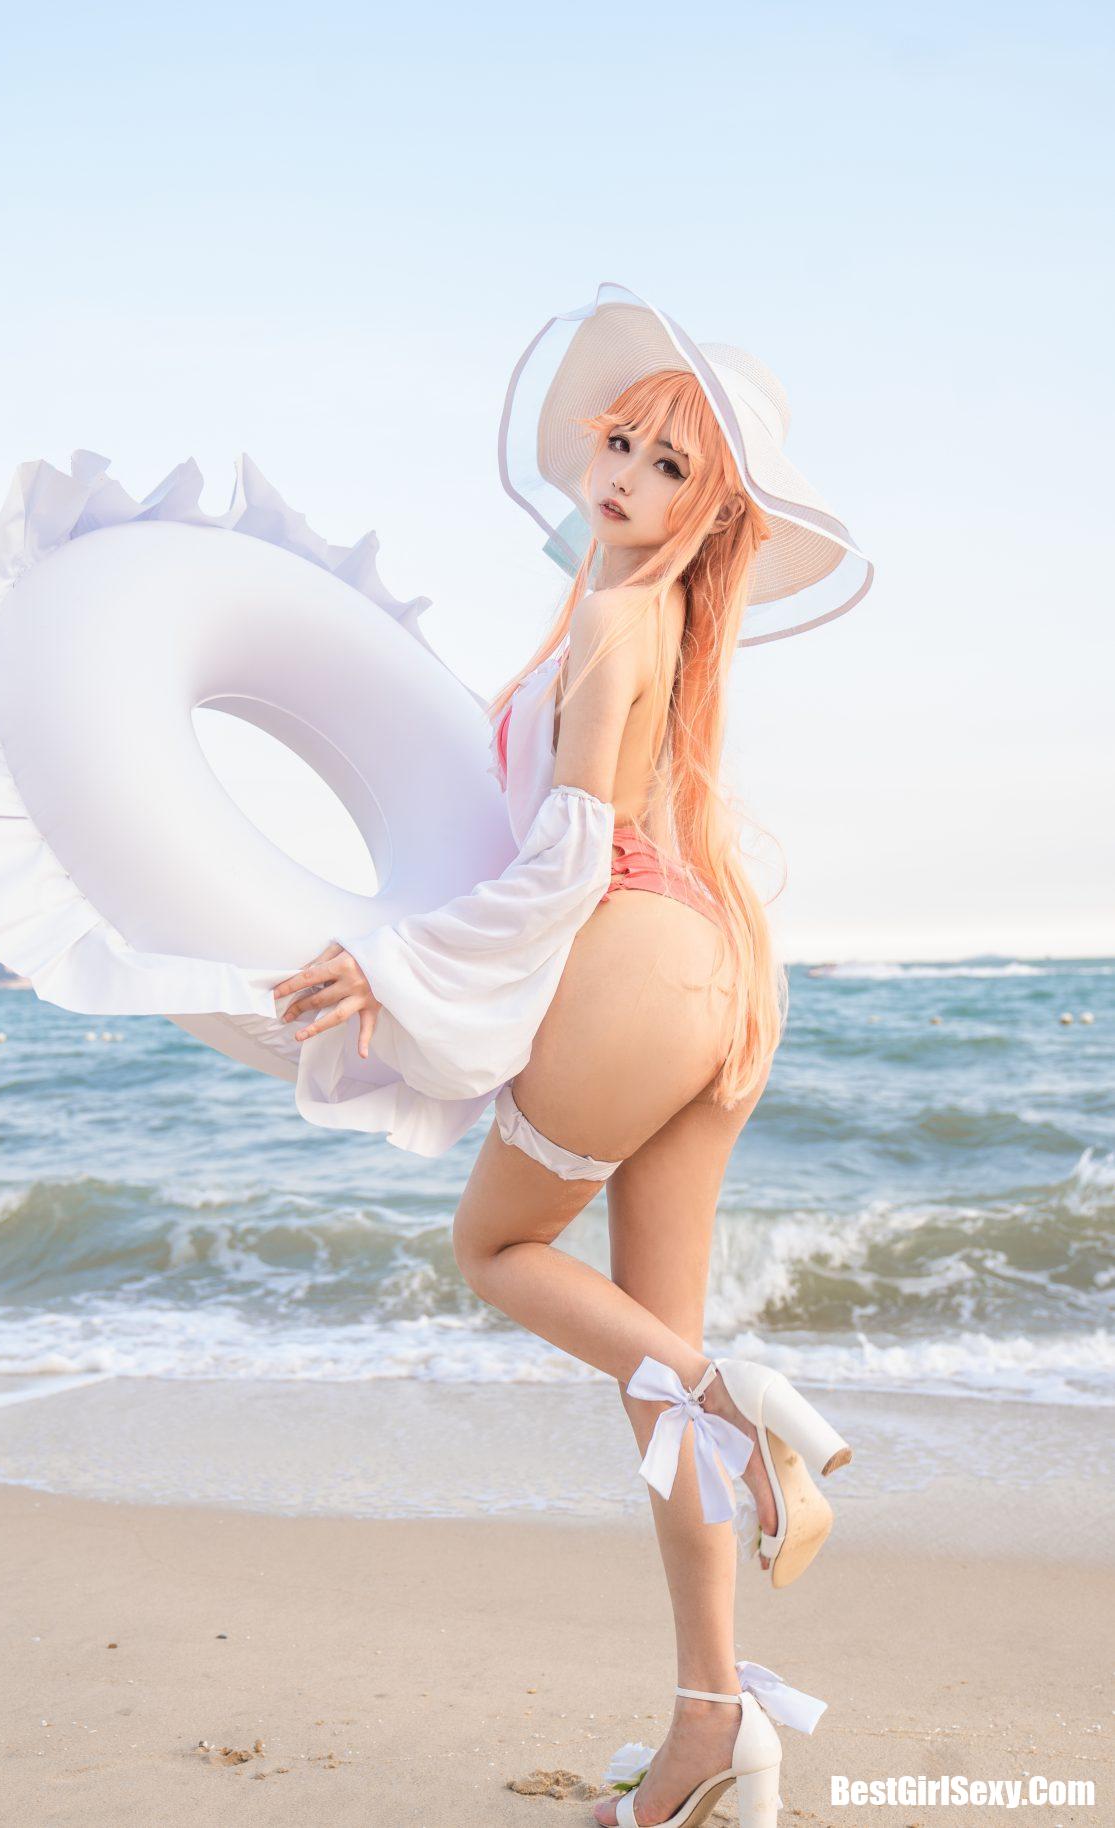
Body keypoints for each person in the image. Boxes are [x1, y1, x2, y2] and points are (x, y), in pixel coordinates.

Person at [272, 284, 874, 1828]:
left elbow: (565, 867)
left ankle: (748, 1415)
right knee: (647, 1373)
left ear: (710, 512)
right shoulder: (647, 621)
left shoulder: (616, 618)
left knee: (497, 1250)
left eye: (671, 466)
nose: (625, 475)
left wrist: (394, 965)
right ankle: (711, 1726)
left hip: (633, 963)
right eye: (621, 443)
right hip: (715, 976)